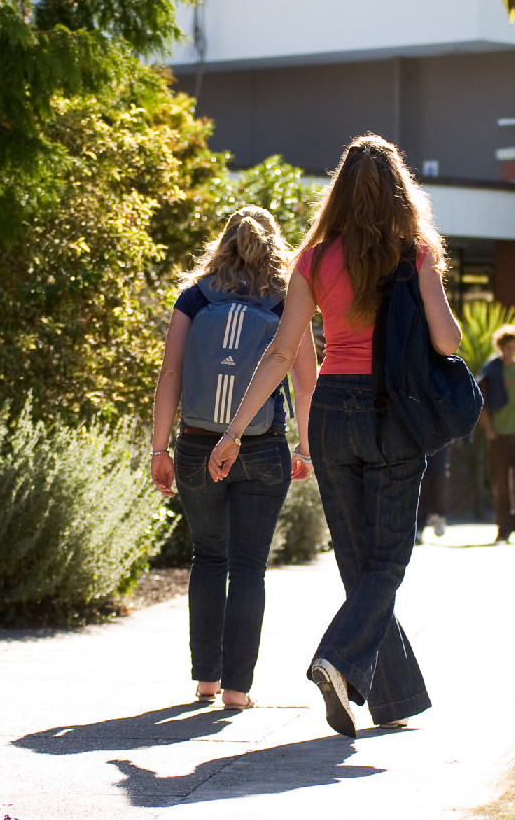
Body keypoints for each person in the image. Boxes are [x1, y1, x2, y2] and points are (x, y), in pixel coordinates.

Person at [208, 135, 463, 737]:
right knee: (387, 564)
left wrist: (233, 432)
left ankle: (395, 701)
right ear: (401, 189)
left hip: (329, 413)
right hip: (391, 415)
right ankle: (338, 658)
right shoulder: (415, 252)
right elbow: (449, 342)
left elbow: (280, 353)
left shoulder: (314, 258)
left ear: (339, 191)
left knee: (358, 563)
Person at [150, 206, 318, 711]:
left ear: (223, 244)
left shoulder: (196, 296)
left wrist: (160, 449)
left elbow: (171, 376)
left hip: (198, 440)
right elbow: (306, 381)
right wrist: (305, 448)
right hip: (262, 444)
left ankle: (205, 679)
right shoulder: (288, 298)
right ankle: (238, 689)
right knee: (249, 565)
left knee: (208, 556)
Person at [477, 324, 515, 544]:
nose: (510, 351)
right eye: (506, 347)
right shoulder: (491, 370)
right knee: (500, 483)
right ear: (500, 347)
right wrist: (490, 431)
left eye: (514, 347)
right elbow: (481, 402)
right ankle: (503, 526)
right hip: (499, 435)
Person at [415, 444, 451, 544]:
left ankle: (439, 515)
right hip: (420, 447)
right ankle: (418, 529)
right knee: (421, 488)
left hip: (439, 444)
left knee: (439, 483)